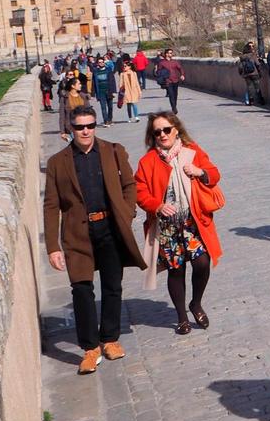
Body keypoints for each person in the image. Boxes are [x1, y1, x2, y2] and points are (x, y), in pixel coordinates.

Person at [43, 105, 147, 374]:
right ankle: (90, 348)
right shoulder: (57, 162)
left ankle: (110, 339)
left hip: (110, 228)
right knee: (81, 290)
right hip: (77, 233)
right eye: (79, 127)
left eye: (90, 125)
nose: (85, 131)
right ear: (71, 129)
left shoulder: (113, 151)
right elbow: (51, 205)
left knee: (113, 286)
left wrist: (127, 212)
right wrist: (53, 247)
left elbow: (130, 185)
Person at [135, 112, 223, 335]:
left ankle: (196, 303)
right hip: (167, 227)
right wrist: (157, 205)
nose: (163, 135)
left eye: (166, 130)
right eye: (157, 132)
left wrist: (199, 171)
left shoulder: (192, 151)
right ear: (152, 135)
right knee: (176, 270)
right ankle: (182, 317)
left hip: (193, 222)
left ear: (176, 130)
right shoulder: (148, 161)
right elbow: (140, 191)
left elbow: (214, 174)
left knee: (202, 262)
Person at [57, 68, 89, 141]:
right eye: (79, 84)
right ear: (73, 86)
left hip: (84, 126)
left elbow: (89, 111)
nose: (81, 85)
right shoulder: (65, 98)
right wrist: (62, 131)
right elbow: (62, 115)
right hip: (71, 127)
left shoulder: (83, 96)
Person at [90, 55, 117, 127]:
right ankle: (106, 121)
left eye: (102, 62)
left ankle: (110, 119)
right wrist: (93, 94)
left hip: (109, 91)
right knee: (103, 107)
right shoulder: (95, 72)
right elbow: (93, 83)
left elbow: (113, 81)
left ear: (104, 63)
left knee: (110, 107)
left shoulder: (108, 70)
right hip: (101, 92)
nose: (101, 63)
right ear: (97, 63)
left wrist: (114, 91)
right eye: (99, 62)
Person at [156, 48, 185, 112]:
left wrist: (182, 75)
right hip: (168, 81)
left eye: (171, 53)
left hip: (175, 80)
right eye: (170, 53)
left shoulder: (175, 62)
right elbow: (158, 72)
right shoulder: (162, 63)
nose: (171, 54)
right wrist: (162, 76)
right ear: (166, 54)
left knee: (175, 94)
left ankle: (174, 105)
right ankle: (174, 108)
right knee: (171, 94)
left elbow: (180, 68)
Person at [237, 43, 263, 108]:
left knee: (249, 87)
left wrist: (241, 73)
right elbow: (257, 64)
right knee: (257, 87)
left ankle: (251, 100)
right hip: (254, 73)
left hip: (246, 74)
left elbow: (240, 67)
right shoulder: (252, 55)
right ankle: (260, 100)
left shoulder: (242, 57)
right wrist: (259, 72)